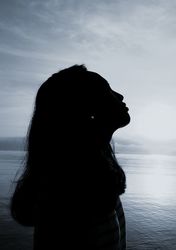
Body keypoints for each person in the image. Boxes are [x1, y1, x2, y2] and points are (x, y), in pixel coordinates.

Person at [10, 64, 130, 250]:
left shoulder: (93, 174)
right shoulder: (69, 189)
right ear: (84, 108)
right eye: (106, 90)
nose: (120, 96)